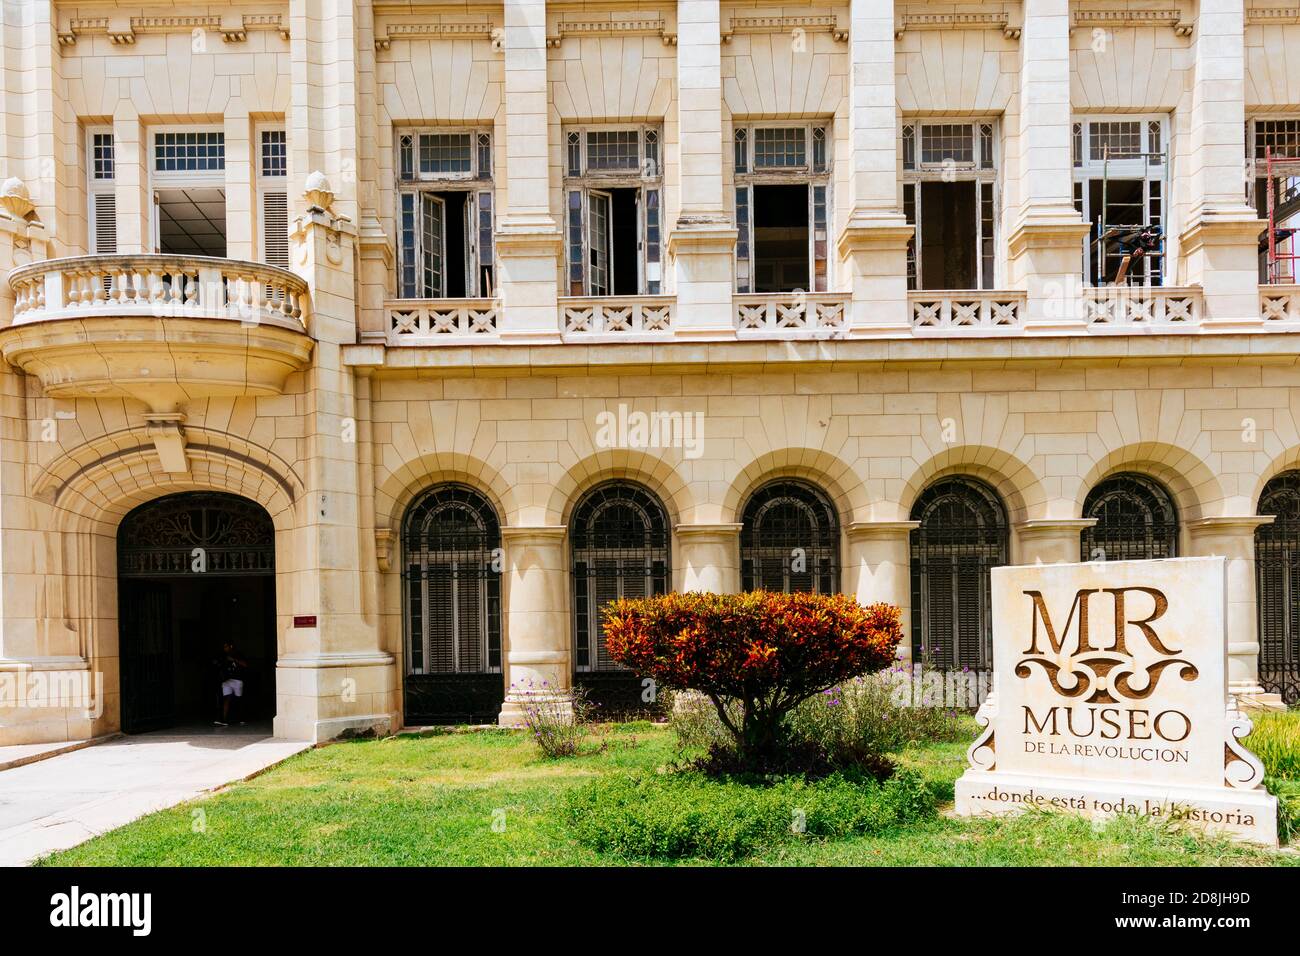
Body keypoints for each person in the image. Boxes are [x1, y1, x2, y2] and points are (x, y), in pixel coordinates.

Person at [213, 641, 248, 727]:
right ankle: (224, 720)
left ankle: (241, 717)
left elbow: (245, 664)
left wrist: (234, 660)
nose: (225, 648)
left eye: (226, 646)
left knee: (239, 699)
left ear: (231, 646)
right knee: (226, 699)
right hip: (226, 681)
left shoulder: (238, 654)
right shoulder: (223, 656)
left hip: (237, 680)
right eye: (224, 647)